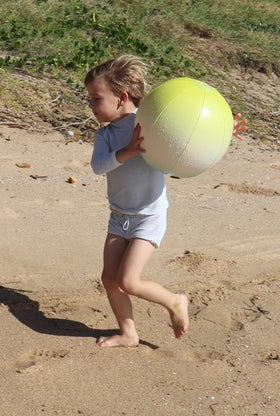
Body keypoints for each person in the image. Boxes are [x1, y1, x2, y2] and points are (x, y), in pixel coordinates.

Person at [85, 55, 247, 348]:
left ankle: (175, 301)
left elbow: (186, 141)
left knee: (129, 281)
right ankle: (129, 333)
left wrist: (219, 131)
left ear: (122, 98)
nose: (91, 106)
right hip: (119, 216)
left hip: (149, 215)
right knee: (110, 279)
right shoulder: (105, 135)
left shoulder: (152, 122)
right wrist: (128, 151)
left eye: (96, 99)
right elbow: (99, 167)